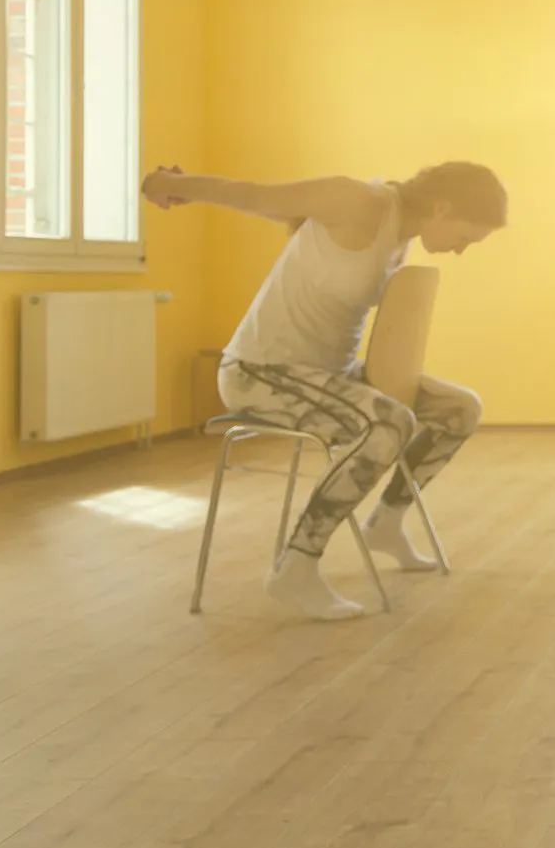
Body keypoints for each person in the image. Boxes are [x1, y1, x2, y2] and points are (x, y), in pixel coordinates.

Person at [143, 162, 508, 621]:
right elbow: (254, 195)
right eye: (466, 237)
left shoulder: (402, 236)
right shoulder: (357, 201)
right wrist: (172, 185)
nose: (461, 250)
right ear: (442, 208)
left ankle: (386, 524)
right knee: (388, 422)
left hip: (328, 375)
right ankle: (296, 567)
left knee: (461, 409)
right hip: (260, 371)